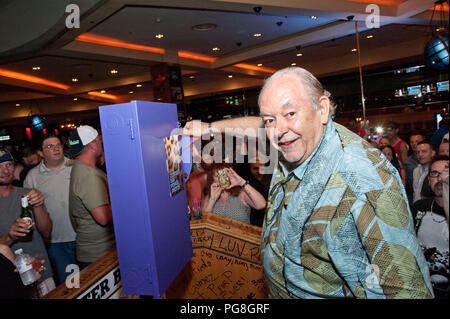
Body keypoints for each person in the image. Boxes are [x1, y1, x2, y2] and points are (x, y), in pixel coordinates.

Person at [184, 66, 433, 298]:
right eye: (271, 119)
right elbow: (258, 126)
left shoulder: (362, 177)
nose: (278, 130)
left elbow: (406, 288)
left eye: (290, 113)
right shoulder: (298, 140)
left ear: (322, 109)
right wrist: (209, 128)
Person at [0, 148, 55, 296]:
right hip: (10, 283)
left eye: (9, 164)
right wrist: (10, 237)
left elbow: (47, 232)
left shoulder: (28, 193)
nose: (5, 170)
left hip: (41, 272)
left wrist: (37, 206)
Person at [24, 134, 77, 285]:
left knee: (92, 279)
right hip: (56, 241)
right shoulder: (33, 176)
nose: (56, 149)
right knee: (71, 285)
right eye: (50, 146)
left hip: (84, 237)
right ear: (40, 153)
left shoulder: (76, 166)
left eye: (58, 145)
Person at [68, 125, 115, 269]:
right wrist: (124, 200)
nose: (101, 143)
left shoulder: (80, 167)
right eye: (99, 140)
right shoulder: (89, 175)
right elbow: (103, 217)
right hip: (98, 254)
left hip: (94, 250)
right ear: (93, 144)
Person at [412, 155, 449, 299]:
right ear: (429, 180)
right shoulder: (420, 207)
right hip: (423, 289)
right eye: (435, 174)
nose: (440, 179)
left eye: (446, 173)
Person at [403, 132, 425, 208]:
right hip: (413, 200)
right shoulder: (407, 162)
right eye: (412, 142)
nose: (414, 144)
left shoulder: (431, 161)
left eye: (417, 141)